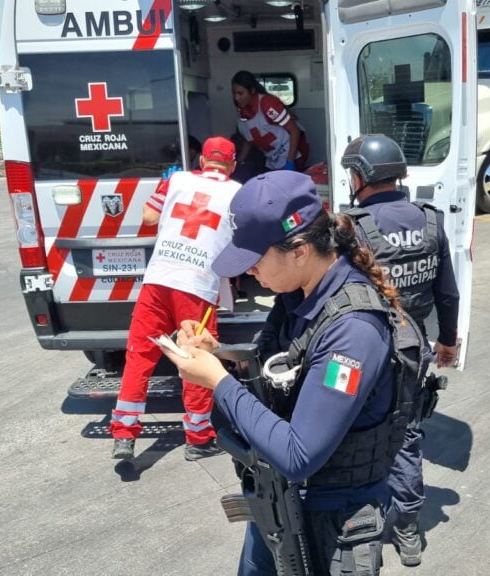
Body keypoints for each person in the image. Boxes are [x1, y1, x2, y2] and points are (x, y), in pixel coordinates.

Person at [160, 171, 409, 575]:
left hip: (333, 524)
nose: (248, 273)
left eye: (255, 260)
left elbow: (299, 454)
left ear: (299, 250)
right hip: (281, 504)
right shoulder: (299, 293)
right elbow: (285, 368)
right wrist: (219, 354)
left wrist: (217, 381)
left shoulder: (354, 331)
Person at [340, 134, 459, 567]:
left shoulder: (351, 226)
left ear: (361, 176)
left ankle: (363, 517)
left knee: (353, 431)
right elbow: (448, 292)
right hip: (415, 348)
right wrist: (447, 341)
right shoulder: (430, 221)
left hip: (365, 347)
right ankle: (408, 527)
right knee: (406, 433)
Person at [110, 137, 241, 462]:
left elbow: (150, 218)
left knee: (139, 355)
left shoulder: (177, 180)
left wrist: (169, 191)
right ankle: (198, 438)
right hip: (196, 285)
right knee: (195, 356)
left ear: (201, 162)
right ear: (233, 164)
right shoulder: (238, 191)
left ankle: (124, 432)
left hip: (159, 278)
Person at [231, 70, 310, 177]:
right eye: (234, 93)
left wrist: (290, 162)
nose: (236, 98)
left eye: (240, 93)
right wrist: (238, 163)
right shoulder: (243, 112)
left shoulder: (267, 104)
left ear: (252, 91)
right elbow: (249, 139)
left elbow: (294, 131)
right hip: (273, 158)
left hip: (293, 151)